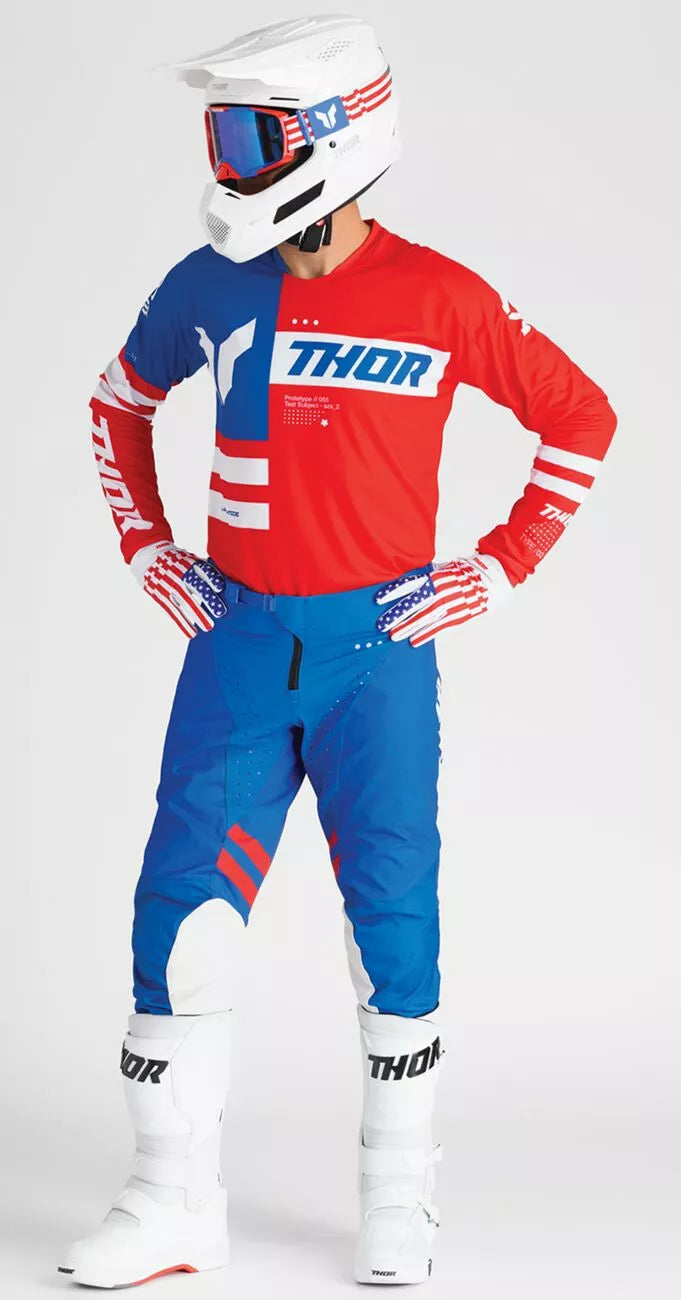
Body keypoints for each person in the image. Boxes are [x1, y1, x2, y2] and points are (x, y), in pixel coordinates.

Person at [60, 13, 617, 1289]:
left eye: (251, 137)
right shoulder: (207, 286)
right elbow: (117, 399)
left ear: (338, 135)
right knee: (181, 915)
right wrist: (145, 543)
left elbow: (581, 415)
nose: (229, 164)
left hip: (380, 655)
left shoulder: (442, 295)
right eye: (220, 137)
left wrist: (501, 561)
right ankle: (168, 1198)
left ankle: (397, 1195)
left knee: (393, 919)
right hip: (239, 648)